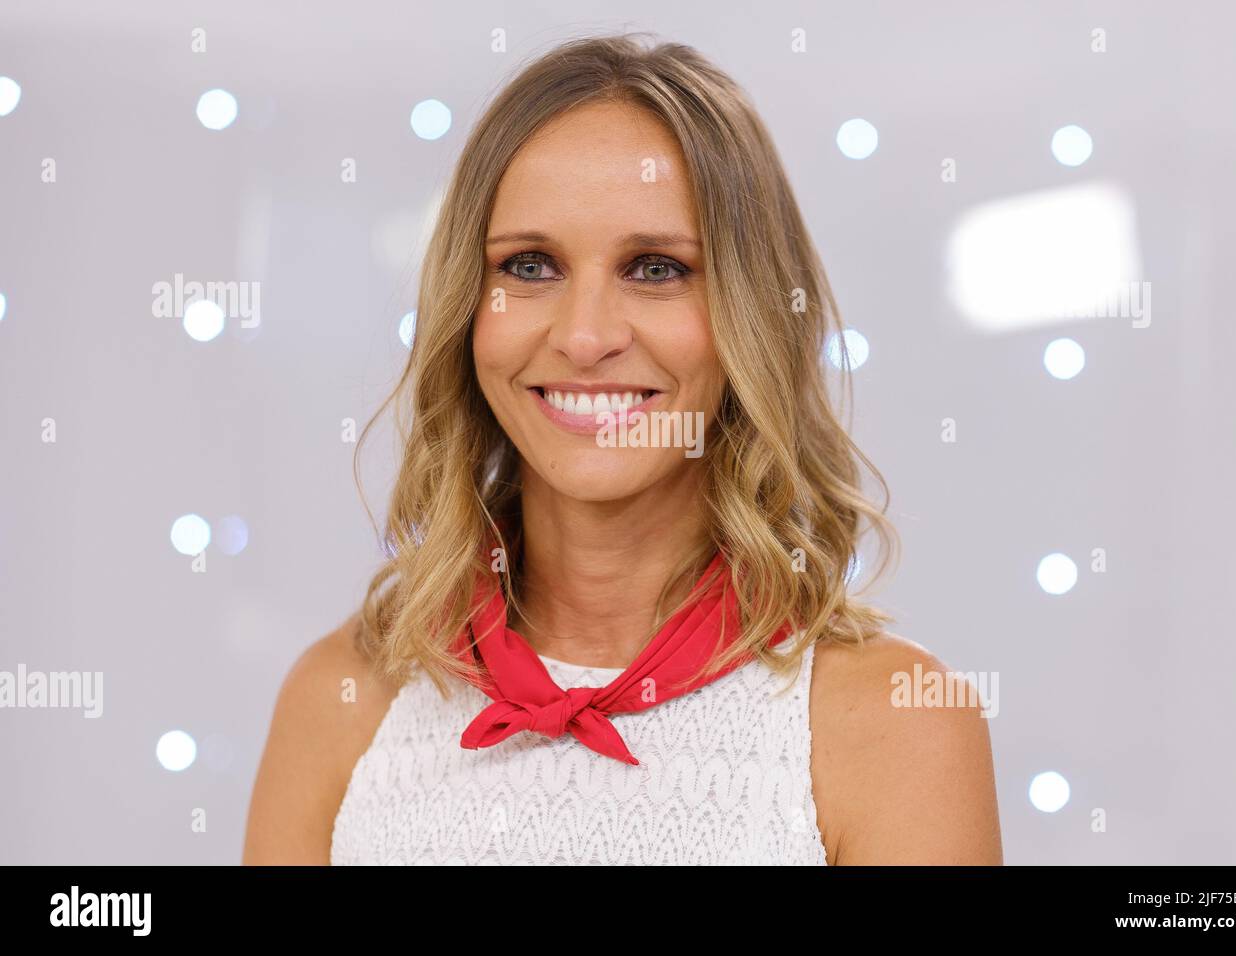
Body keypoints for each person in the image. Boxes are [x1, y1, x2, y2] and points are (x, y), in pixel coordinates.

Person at [243, 32, 1002, 865]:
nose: (585, 336)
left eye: (654, 268)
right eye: (530, 266)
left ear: (749, 314)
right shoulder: (340, 700)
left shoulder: (897, 724)